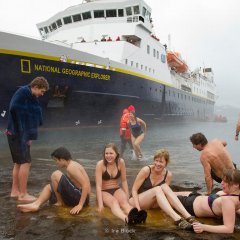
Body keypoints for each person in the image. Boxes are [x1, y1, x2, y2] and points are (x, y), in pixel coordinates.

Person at [129, 149, 196, 230]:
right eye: (156, 160)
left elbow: (165, 194)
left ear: (166, 163)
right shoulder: (146, 170)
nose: (157, 164)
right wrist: (138, 209)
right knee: (158, 189)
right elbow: (134, 190)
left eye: (161, 162)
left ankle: (188, 216)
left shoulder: (168, 175)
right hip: (137, 201)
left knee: (164, 187)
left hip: (153, 203)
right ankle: (177, 219)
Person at [6, 76, 49, 202]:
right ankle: (23, 194)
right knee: (25, 162)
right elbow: (13, 108)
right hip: (18, 134)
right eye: (42, 91)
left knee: (18, 162)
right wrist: (23, 132)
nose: (42, 94)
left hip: (14, 134)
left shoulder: (29, 95)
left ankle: (15, 192)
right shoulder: (23, 92)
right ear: (35, 87)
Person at [17, 147, 91, 215]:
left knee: (55, 174)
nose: (56, 163)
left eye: (56, 160)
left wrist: (80, 205)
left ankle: (60, 202)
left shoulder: (71, 167)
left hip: (80, 199)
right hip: (79, 196)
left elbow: (85, 184)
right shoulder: (72, 165)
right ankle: (36, 204)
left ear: (61, 159)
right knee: (49, 187)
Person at [95, 143, 147, 224]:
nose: (108, 156)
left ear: (116, 154)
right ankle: (126, 219)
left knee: (124, 203)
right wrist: (100, 205)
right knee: (114, 202)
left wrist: (127, 196)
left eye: (111, 153)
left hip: (116, 189)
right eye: (106, 153)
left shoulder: (121, 162)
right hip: (103, 191)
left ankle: (137, 217)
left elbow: (124, 181)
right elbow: (98, 186)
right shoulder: (100, 165)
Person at [175, 168, 240, 234]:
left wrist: (203, 227)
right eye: (222, 180)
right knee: (169, 192)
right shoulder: (234, 195)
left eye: (225, 181)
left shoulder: (228, 201)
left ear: (236, 185)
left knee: (166, 194)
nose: (221, 183)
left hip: (189, 205)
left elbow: (229, 229)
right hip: (197, 196)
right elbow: (234, 209)